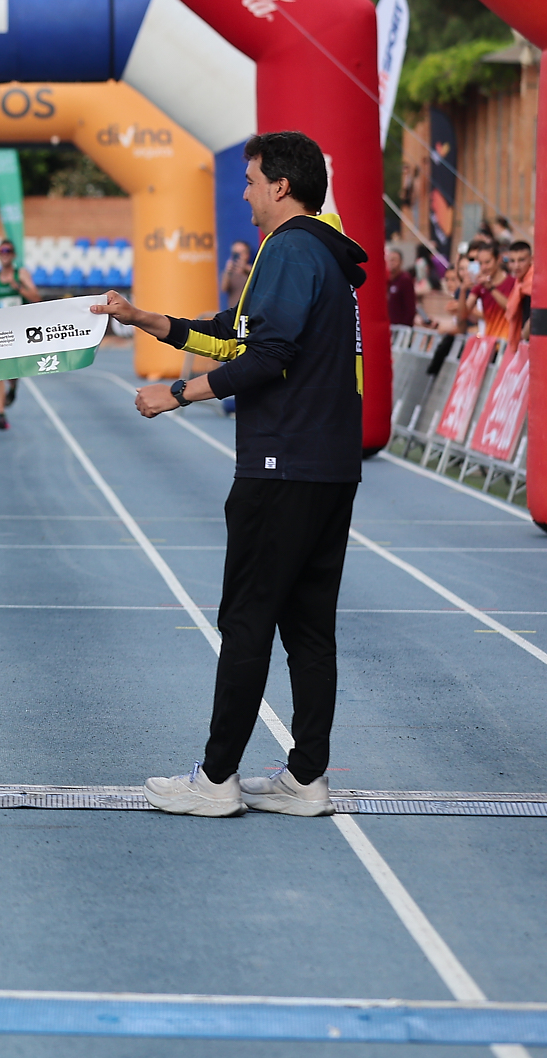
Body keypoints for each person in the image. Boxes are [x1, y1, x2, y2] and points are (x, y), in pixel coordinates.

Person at [92, 131, 367, 818]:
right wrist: (144, 319)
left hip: (283, 464)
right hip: (331, 467)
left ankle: (216, 779)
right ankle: (306, 777)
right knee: (308, 627)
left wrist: (177, 394)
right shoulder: (324, 253)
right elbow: (235, 331)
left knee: (246, 618)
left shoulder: (289, 248)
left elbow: (265, 355)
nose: (242, 194)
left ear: (280, 185)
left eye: (248, 182)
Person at [0, 239, 39, 429]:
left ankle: (13, 386)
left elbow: (36, 298)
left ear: (13, 255)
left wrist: (18, 287)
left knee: (13, 370)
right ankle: (0, 413)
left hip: (18, 331)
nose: (5, 253)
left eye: (8, 250)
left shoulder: (20, 274)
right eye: (1, 251)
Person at [384, 243, 417, 329]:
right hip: (390, 326)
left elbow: (410, 307)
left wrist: (406, 326)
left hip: (401, 328)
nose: (391, 263)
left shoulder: (405, 280)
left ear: (401, 262)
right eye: (389, 260)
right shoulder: (388, 280)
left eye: (394, 260)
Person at [219, 239, 253, 312]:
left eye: (241, 253)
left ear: (247, 255)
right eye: (235, 253)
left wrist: (245, 269)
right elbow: (224, 288)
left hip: (250, 312)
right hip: (234, 312)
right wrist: (228, 272)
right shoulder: (229, 272)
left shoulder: (253, 270)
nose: (238, 256)